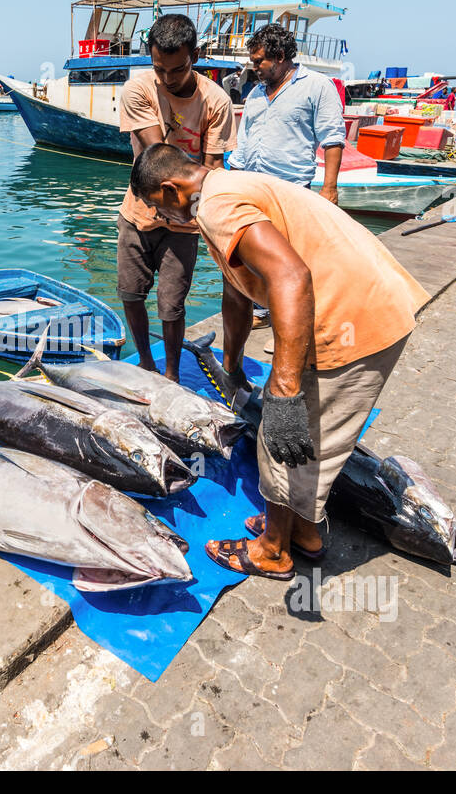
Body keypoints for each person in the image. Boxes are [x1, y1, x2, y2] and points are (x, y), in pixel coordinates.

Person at [129, 143, 430, 580]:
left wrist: (284, 387)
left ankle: (272, 550)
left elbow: (291, 275)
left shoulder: (215, 205)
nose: (166, 221)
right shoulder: (228, 188)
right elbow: (238, 294)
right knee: (312, 440)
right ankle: (302, 533)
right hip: (374, 303)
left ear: (173, 190)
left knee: (282, 438)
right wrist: (231, 367)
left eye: (162, 210)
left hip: (350, 319)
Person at [116, 12, 236, 381]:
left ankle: (170, 374)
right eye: (160, 69)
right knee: (131, 294)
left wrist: (198, 217)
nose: (167, 78)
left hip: (184, 224)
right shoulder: (138, 89)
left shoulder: (216, 102)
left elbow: (212, 170)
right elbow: (157, 160)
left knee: (171, 306)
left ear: (195, 56)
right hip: (137, 213)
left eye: (178, 69)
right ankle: (146, 364)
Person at [227, 23, 346, 205]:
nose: (255, 67)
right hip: (252, 190)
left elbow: (333, 138)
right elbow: (243, 143)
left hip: (292, 193)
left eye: (259, 61)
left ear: (280, 57)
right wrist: (231, 188)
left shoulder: (317, 86)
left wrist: (329, 188)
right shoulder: (255, 94)